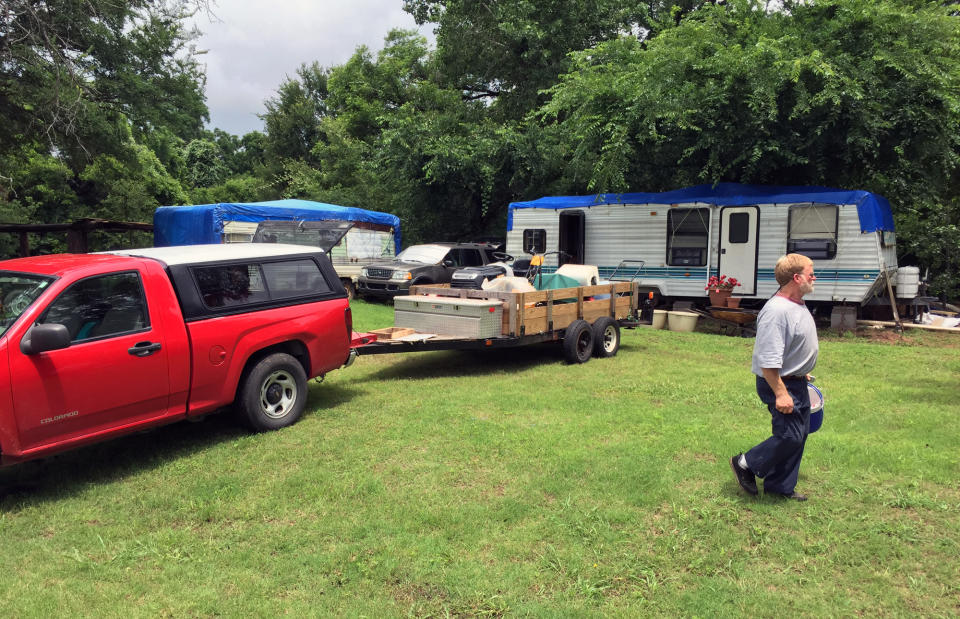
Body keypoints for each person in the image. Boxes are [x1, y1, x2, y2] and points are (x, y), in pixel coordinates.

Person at [730, 254, 818, 501]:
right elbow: (767, 360)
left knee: (799, 435)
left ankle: (780, 487)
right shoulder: (777, 311)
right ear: (796, 277)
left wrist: (801, 369)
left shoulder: (795, 304)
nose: (814, 276)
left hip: (794, 379)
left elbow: (791, 343)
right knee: (789, 435)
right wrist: (780, 392)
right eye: (811, 272)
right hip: (779, 383)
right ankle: (745, 463)